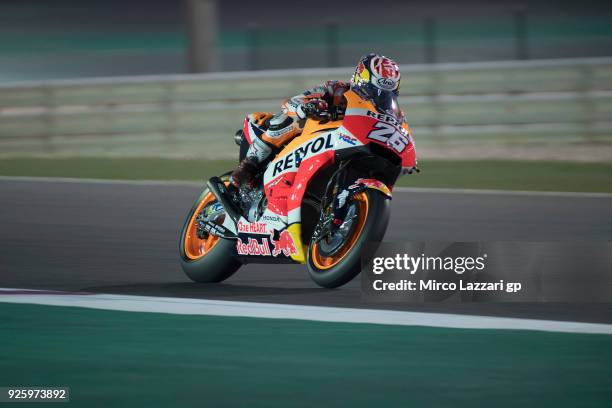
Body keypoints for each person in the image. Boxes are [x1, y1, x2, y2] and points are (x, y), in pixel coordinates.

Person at [230, 53, 403, 187]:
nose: (377, 97)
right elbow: (292, 102)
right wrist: (308, 106)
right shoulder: (335, 90)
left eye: (385, 94)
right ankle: (249, 166)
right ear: (360, 79)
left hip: (342, 146)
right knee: (291, 120)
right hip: (308, 136)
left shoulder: (389, 113)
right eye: (373, 90)